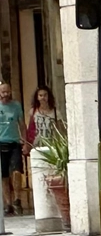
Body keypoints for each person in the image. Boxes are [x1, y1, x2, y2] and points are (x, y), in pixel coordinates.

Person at [0, 83, 26, 216]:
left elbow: (21, 124)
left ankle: (17, 199)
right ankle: (8, 203)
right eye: (3, 92)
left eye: (7, 92)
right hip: (1, 143)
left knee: (16, 171)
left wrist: (25, 141)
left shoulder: (16, 106)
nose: (5, 94)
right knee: (4, 175)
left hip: (14, 142)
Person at [24, 86, 62, 151]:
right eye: (40, 95)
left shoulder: (56, 113)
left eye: (45, 95)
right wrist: (27, 143)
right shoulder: (33, 111)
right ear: (37, 97)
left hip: (52, 145)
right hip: (36, 145)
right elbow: (30, 128)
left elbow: (60, 130)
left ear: (48, 96)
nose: (43, 98)